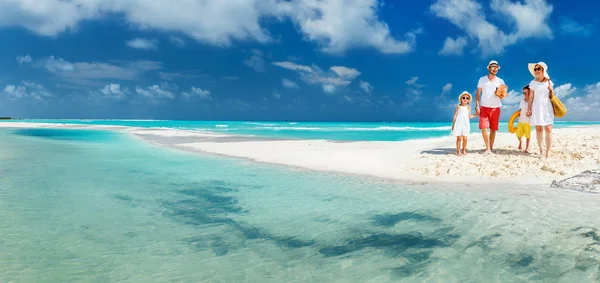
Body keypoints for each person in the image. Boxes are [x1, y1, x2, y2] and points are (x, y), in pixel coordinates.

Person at [475, 60, 507, 154]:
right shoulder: (482, 79)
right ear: (489, 68)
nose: (495, 69)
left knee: (493, 129)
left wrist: (501, 94)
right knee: (484, 127)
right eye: (493, 67)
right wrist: (477, 107)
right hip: (484, 107)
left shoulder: (500, 81)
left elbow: (503, 95)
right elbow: (478, 94)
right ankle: (487, 148)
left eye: (496, 67)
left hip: (496, 107)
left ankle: (490, 148)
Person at [526, 62, 555, 159]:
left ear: (543, 69)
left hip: (547, 106)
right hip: (537, 106)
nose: (537, 71)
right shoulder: (533, 83)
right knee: (538, 129)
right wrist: (529, 109)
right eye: (535, 69)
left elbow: (552, 96)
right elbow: (531, 97)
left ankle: (549, 152)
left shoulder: (549, 82)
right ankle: (541, 150)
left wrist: (551, 90)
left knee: (548, 129)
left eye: (538, 69)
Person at [452, 91, 478, 156]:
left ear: (469, 100)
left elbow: (469, 116)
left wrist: (476, 115)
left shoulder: (468, 107)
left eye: (467, 98)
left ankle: (463, 150)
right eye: (463, 97)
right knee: (459, 138)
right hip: (458, 124)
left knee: (465, 138)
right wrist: (453, 125)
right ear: (461, 99)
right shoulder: (458, 106)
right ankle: (458, 151)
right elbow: (455, 115)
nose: (465, 99)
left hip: (466, 124)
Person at [516, 85, 532, 153]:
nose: (524, 94)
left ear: (530, 92)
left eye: (526, 92)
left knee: (528, 135)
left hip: (528, 121)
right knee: (518, 134)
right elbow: (520, 110)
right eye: (524, 93)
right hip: (521, 121)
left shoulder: (532, 101)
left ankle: (527, 147)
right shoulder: (522, 101)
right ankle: (520, 142)